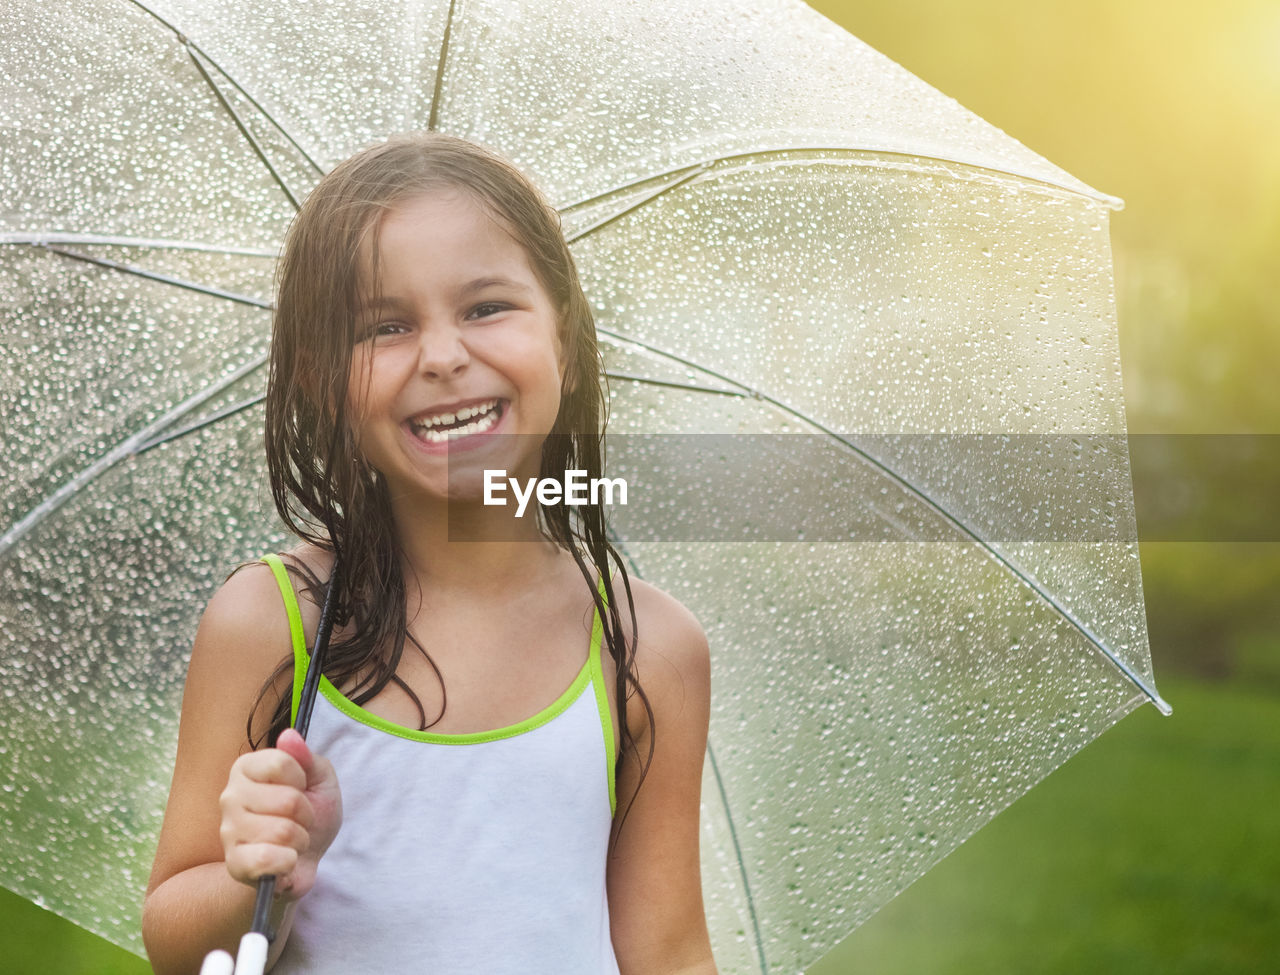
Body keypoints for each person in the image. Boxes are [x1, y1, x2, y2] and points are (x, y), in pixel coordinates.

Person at [141, 133, 717, 974]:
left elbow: (668, 952)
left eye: (486, 307)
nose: (444, 356)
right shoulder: (275, 621)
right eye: (384, 325)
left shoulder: (649, 649)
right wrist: (264, 873)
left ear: (564, 331)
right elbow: (173, 938)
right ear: (317, 377)